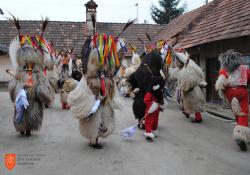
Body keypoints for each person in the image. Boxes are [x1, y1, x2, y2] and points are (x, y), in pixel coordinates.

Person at [8, 17, 52, 136]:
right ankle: (21, 127)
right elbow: (13, 84)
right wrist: (18, 90)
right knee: (21, 110)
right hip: (22, 99)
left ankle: (29, 128)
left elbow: (44, 86)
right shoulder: (20, 71)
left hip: (34, 100)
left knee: (33, 111)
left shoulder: (38, 73)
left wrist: (40, 91)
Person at [215, 50, 250, 151]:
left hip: (230, 92)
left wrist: (223, 90)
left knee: (236, 111)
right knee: (243, 112)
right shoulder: (245, 68)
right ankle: (241, 135)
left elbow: (221, 81)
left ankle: (238, 128)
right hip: (242, 91)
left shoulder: (225, 69)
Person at [170, 52, 207, 123]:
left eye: (177, 61)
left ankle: (198, 118)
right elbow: (174, 77)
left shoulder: (188, 69)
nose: (176, 62)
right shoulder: (181, 69)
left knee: (194, 103)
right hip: (187, 90)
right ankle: (188, 112)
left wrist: (184, 87)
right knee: (186, 102)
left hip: (192, 90)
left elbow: (189, 80)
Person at [144, 76, 165, 141]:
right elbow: (146, 100)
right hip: (150, 110)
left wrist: (161, 103)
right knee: (149, 121)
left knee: (155, 121)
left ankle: (153, 130)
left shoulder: (159, 92)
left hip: (157, 110)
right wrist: (152, 105)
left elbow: (161, 99)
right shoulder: (150, 93)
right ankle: (148, 133)